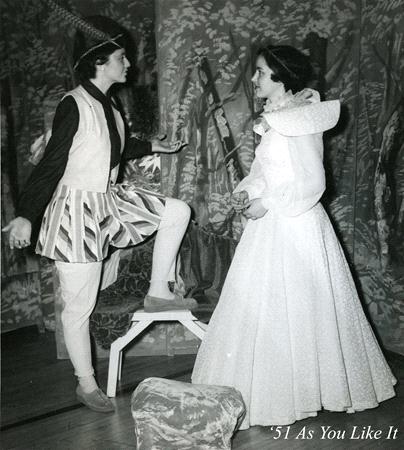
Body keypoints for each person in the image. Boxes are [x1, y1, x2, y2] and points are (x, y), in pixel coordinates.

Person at [192, 44, 396, 429]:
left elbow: (313, 181)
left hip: (296, 225)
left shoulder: (302, 118)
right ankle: (269, 389)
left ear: (282, 79)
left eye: (261, 73)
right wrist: (248, 191)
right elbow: (264, 171)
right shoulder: (275, 117)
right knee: (265, 309)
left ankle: (306, 391)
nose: (254, 79)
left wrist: (267, 202)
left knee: (300, 309)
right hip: (270, 227)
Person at [2, 16, 196, 413]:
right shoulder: (74, 104)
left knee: (176, 210)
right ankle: (86, 383)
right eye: (122, 58)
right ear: (100, 62)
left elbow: (109, 150)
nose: (129, 64)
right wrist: (25, 215)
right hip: (75, 212)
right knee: (79, 306)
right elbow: (52, 164)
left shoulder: (108, 103)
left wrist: (154, 147)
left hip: (106, 200)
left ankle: (159, 292)